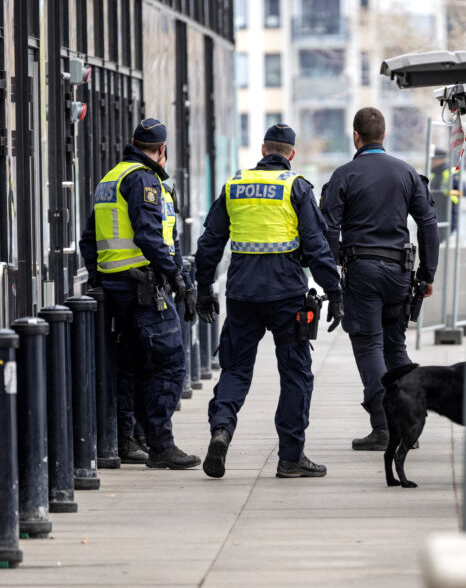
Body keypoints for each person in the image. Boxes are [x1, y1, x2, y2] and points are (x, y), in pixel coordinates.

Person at [194, 123, 343, 479]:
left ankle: (222, 431)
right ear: (290, 155)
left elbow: (210, 242)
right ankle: (291, 457)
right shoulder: (296, 187)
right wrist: (335, 293)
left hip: (243, 294)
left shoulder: (235, 185)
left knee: (235, 369)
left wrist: (202, 287)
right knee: (295, 373)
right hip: (287, 296)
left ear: (263, 150)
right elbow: (318, 246)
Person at [79, 118, 200, 470]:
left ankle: (131, 439)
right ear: (162, 150)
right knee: (170, 362)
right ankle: (161, 444)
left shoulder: (110, 178)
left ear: (133, 142)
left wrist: (100, 277)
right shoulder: (144, 181)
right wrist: (178, 278)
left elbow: (89, 240)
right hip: (143, 288)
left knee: (133, 365)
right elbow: (151, 236)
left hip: (118, 288)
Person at [320, 107, 439, 451]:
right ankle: (409, 425)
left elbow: (329, 228)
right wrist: (427, 273)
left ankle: (383, 427)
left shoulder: (344, 175)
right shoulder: (407, 173)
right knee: (396, 345)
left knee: (370, 345)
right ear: (383, 136)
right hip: (400, 272)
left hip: (362, 271)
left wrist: (331, 278)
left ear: (355, 136)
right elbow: (428, 224)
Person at [429, 149, 466, 239]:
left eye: (432, 159)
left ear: (439, 160)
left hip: (447, 211)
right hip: (436, 211)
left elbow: (462, 189)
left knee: (440, 237)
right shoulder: (435, 172)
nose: (431, 161)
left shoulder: (449, 171)